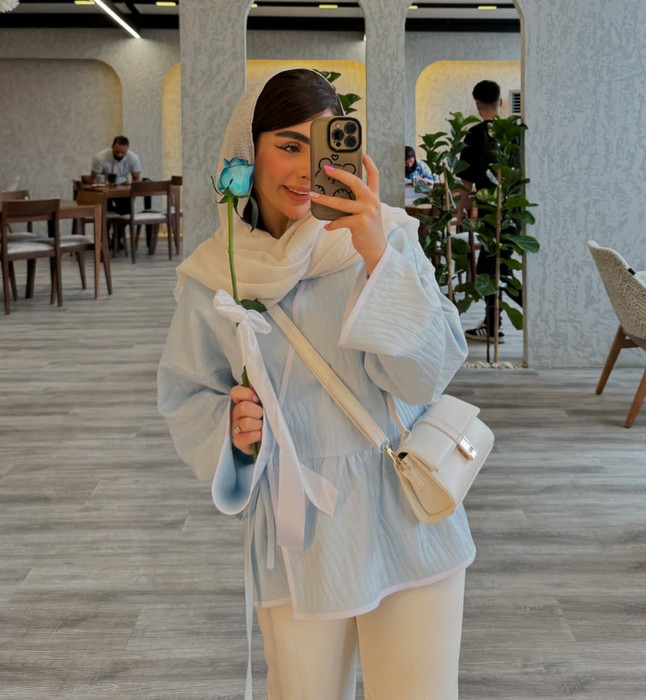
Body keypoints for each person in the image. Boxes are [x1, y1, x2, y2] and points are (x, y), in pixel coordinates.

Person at [158, 69, 474, 699]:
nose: (308, 170)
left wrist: (378, 256)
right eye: (288, 145)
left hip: (404, 511)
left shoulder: (382, 237)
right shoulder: (214, 274)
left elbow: (425, 374)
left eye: (323, 145)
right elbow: (188, 390)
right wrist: (233, 430)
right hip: (297, 526)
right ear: (247, 153)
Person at [457, 80, 521, 343]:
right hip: (513, 212)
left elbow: (466, 183)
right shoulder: (515, 134)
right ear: (501, 102)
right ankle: (493, 326)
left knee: (494, 270)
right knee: (495, 268)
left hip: (488, 215)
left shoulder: (474, 135)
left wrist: (459, 212)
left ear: (477, 104)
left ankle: (505, 323)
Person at [91, 135, 142, 219]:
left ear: (127, 149)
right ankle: (106, 226)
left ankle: (119, 227)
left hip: (123, 190)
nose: (119, 155)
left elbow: (136, 180)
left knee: (127, 210)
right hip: (105, 191)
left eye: (123, 152)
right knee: (105, 211)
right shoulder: (100, 158)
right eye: (117, 151)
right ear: (112, 147)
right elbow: (94, 179)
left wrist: (132, 197)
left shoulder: (133, 158)